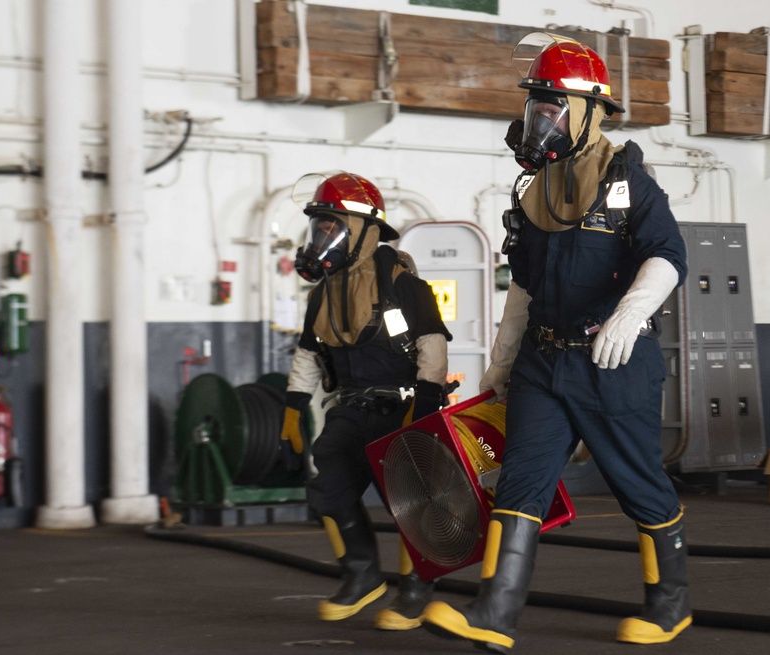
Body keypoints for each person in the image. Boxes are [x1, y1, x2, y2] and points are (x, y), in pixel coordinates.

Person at [421, 34, 690, 651]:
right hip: (545, 361)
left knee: (637, 482)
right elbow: (524, 286)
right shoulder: (537, 191)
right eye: (537, 107)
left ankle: (671, 603)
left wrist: (630, 316)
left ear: (591, 112)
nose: (541, 120)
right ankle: (494, 614)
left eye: (555, 107)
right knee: (521, 480)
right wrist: (502, 363)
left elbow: (668, 256)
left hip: (612, 362)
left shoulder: (629, 183)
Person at [279, 171, 452, 630]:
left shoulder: (405, 287)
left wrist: (427, 409)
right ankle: (362, 575)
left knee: (412, 503)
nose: (321, 237)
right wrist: (293, 411)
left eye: (331, 227)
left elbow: (432, 347)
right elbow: (309, 355)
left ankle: (415, 592)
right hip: (351, 410)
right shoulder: (323, 296)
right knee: (328, 488)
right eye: (318, 227)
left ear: (361, 231)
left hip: (405, 408)